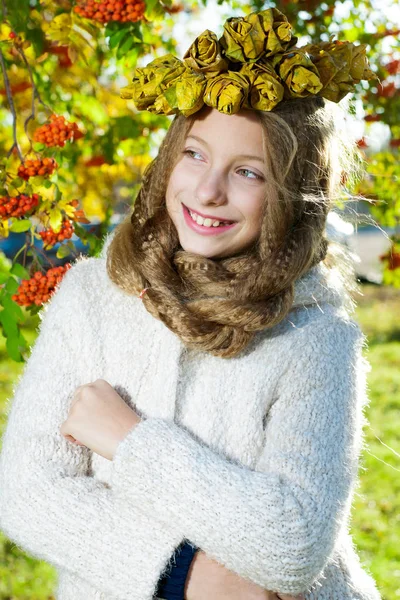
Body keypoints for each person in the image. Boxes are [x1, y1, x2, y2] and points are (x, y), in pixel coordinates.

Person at [0, 7, 382, 600]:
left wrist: (129, 441)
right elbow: (27, 491)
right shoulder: (95, 296)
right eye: (195, 154)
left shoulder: (313, 334)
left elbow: (294, 542)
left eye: (248, 173)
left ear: (288, 195)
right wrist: (181, 575)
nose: (208, 190)